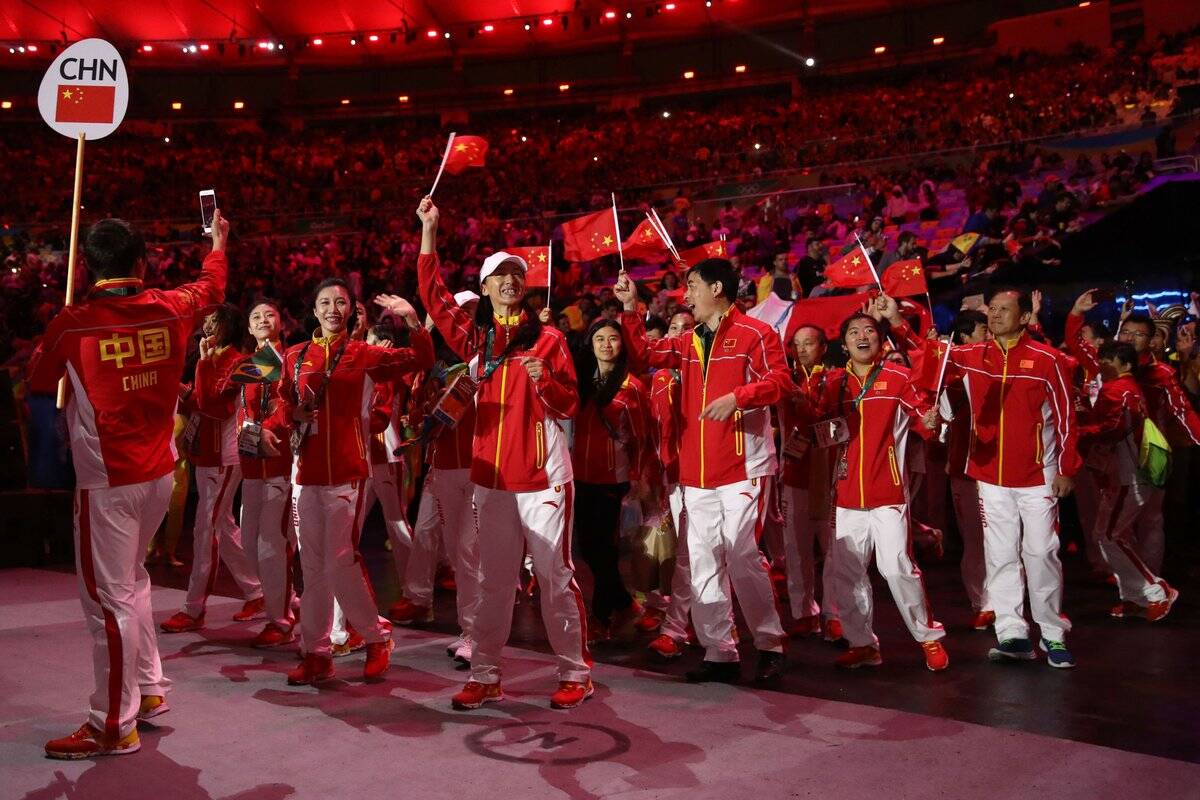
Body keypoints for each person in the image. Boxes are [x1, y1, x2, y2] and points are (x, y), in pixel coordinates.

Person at [29, 211, 231, 758]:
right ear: (142, 262)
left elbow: (37, 381)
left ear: (86, 267)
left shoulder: (73, 323)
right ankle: (149, 690)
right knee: (134, 585)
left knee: (107, 602)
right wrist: (218, 242)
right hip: (161, 475)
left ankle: (112, 723)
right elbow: (213, 284)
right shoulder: (172, 306)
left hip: (108, 485)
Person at [413, 196, 593, 711]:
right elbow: (434, 295)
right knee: (493, 581)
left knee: (555, 577)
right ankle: (486, 674)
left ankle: (575, 673)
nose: (511, 281)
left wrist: (547, 382)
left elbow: (571, 403)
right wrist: (429, 232)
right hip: (491, 480)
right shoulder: (476, 338)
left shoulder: (550, 339)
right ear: (486, 288)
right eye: (501, 275)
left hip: (543, 477)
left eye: (517, 274)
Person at [615, 258, 791, 685]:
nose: (686, 294)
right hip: (697, 472)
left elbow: (783, 382)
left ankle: (770, 645)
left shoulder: (756, 334)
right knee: (704, 560)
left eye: (691, 286)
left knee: (743, 554)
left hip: (743, 464)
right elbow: (642, 355)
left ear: (717, 288)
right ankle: (720, 650)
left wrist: (741, 396)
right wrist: (631, 308)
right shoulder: (690, 340)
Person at [269, 279, 434, 686]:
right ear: (314, 310)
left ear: (350, 311)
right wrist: (284, 421)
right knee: (312, 564)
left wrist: (411, 317)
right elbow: (282, 401)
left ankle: (376, 639)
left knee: (340, 558)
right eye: (325, 301)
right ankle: (316, 653)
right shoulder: (295, 355)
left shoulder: (364, 354)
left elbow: (420, 357)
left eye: (340, 302)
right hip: (306, 473)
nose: (332, 308)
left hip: (349, 472)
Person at [943, 286, 1080, 667]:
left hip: (1038, 475)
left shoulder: (1047, 359)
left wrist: (1068, 468)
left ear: (1024, 317)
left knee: (1041, 553)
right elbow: (929, 363)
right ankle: (1013, 633)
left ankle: (1052, 633)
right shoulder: (972, 355)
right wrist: (899, 323)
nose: (996, 315)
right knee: (1000, 555)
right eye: (993, 310)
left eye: (1005, 310)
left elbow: (1067, 418)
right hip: (990, 476)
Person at [809, 308, 948, 671]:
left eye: (869, 330)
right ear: (844, 343)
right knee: (848, 574)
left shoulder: (899, 378)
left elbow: (922, 421)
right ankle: (863, 643)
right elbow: (821, 432)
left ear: (879, 339)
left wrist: (931, 422)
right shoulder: (835, 384)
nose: (862, 336)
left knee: (896, 567)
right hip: (847, 496)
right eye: (854, 331)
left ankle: (928, 637)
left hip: (887, 493)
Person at [161, 305, 264, 633]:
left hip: (226, 457)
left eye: (212, 322)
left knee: (206, 530)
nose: (205, 327)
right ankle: (260, 591)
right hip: (208, 456)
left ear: (229, 326)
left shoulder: (241, 362)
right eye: (204, 323)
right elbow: (197, 401)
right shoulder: (214, 358)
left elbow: (214, 408)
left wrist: (203, 365)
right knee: (222, 525)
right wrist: (176, 385)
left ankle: (194, 608)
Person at [392, 306, 481, 666]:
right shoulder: (433, 371)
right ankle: (467, 628)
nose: (456, 324)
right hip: (442, 468)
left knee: (470, 554)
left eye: (466, 316)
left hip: (476, 471)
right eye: (452, 317)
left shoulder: (479, 363)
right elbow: (422, 415)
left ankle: (478, 633)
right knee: (452, 549)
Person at [1077, 341, 1179, 621]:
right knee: (1109, 535)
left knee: (1110, 536)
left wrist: (1079, 430)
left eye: (1109, 359)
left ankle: (1157, 590)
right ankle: (1136, 597)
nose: (1103, 364)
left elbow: (1112, 427)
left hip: (1127, 474)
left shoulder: (1117, 389)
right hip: (1127, 473)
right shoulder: (1130, 388)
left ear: (1127, 365)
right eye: (1102, 358)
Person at [219, 299, 298, 648]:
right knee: (251, 545)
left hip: (281, 461)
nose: (263, 319)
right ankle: (286, 598)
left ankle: (279, 620)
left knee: (272, 544)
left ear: (280, 322)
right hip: (251, 462)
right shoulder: (247, 366)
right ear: (249, 329)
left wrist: (270, 427)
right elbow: (231, 406)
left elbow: (291, 405)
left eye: (270, 314)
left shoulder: (292, 360)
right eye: (256, 317)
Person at [572, 318, 651, 641]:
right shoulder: (580, 382)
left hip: (612, 478)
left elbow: (643, 438)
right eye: (599, 338)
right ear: (590, 345)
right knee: (589, 549)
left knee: (603, 549)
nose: (606, 345)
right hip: (579, 474)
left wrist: (638, 476)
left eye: (613, 339)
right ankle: (624, 602)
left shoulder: (632, 387)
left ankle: (600, 617)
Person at [777, 323, 842, 641]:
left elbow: (840, 427)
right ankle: (804, 611)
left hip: (829, 473)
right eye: (796, 344)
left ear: (823, 347)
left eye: (809, 343)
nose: (801, 349)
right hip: (795, 472)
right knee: (796, 545)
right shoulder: (785, 381)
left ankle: (834, 612)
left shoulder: (838, 380)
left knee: (832, 547)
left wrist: (811, 413)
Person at [941, 310, 994, 629]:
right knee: (975, 539)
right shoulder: (951, 377)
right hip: (964, 469)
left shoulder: (998, 366)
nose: (989, 335)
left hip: (998, 469)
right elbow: (941, 417)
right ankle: (982, 602)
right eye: (982, 330)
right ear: (963, 338)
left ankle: (1005, 600)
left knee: (1002, 539)